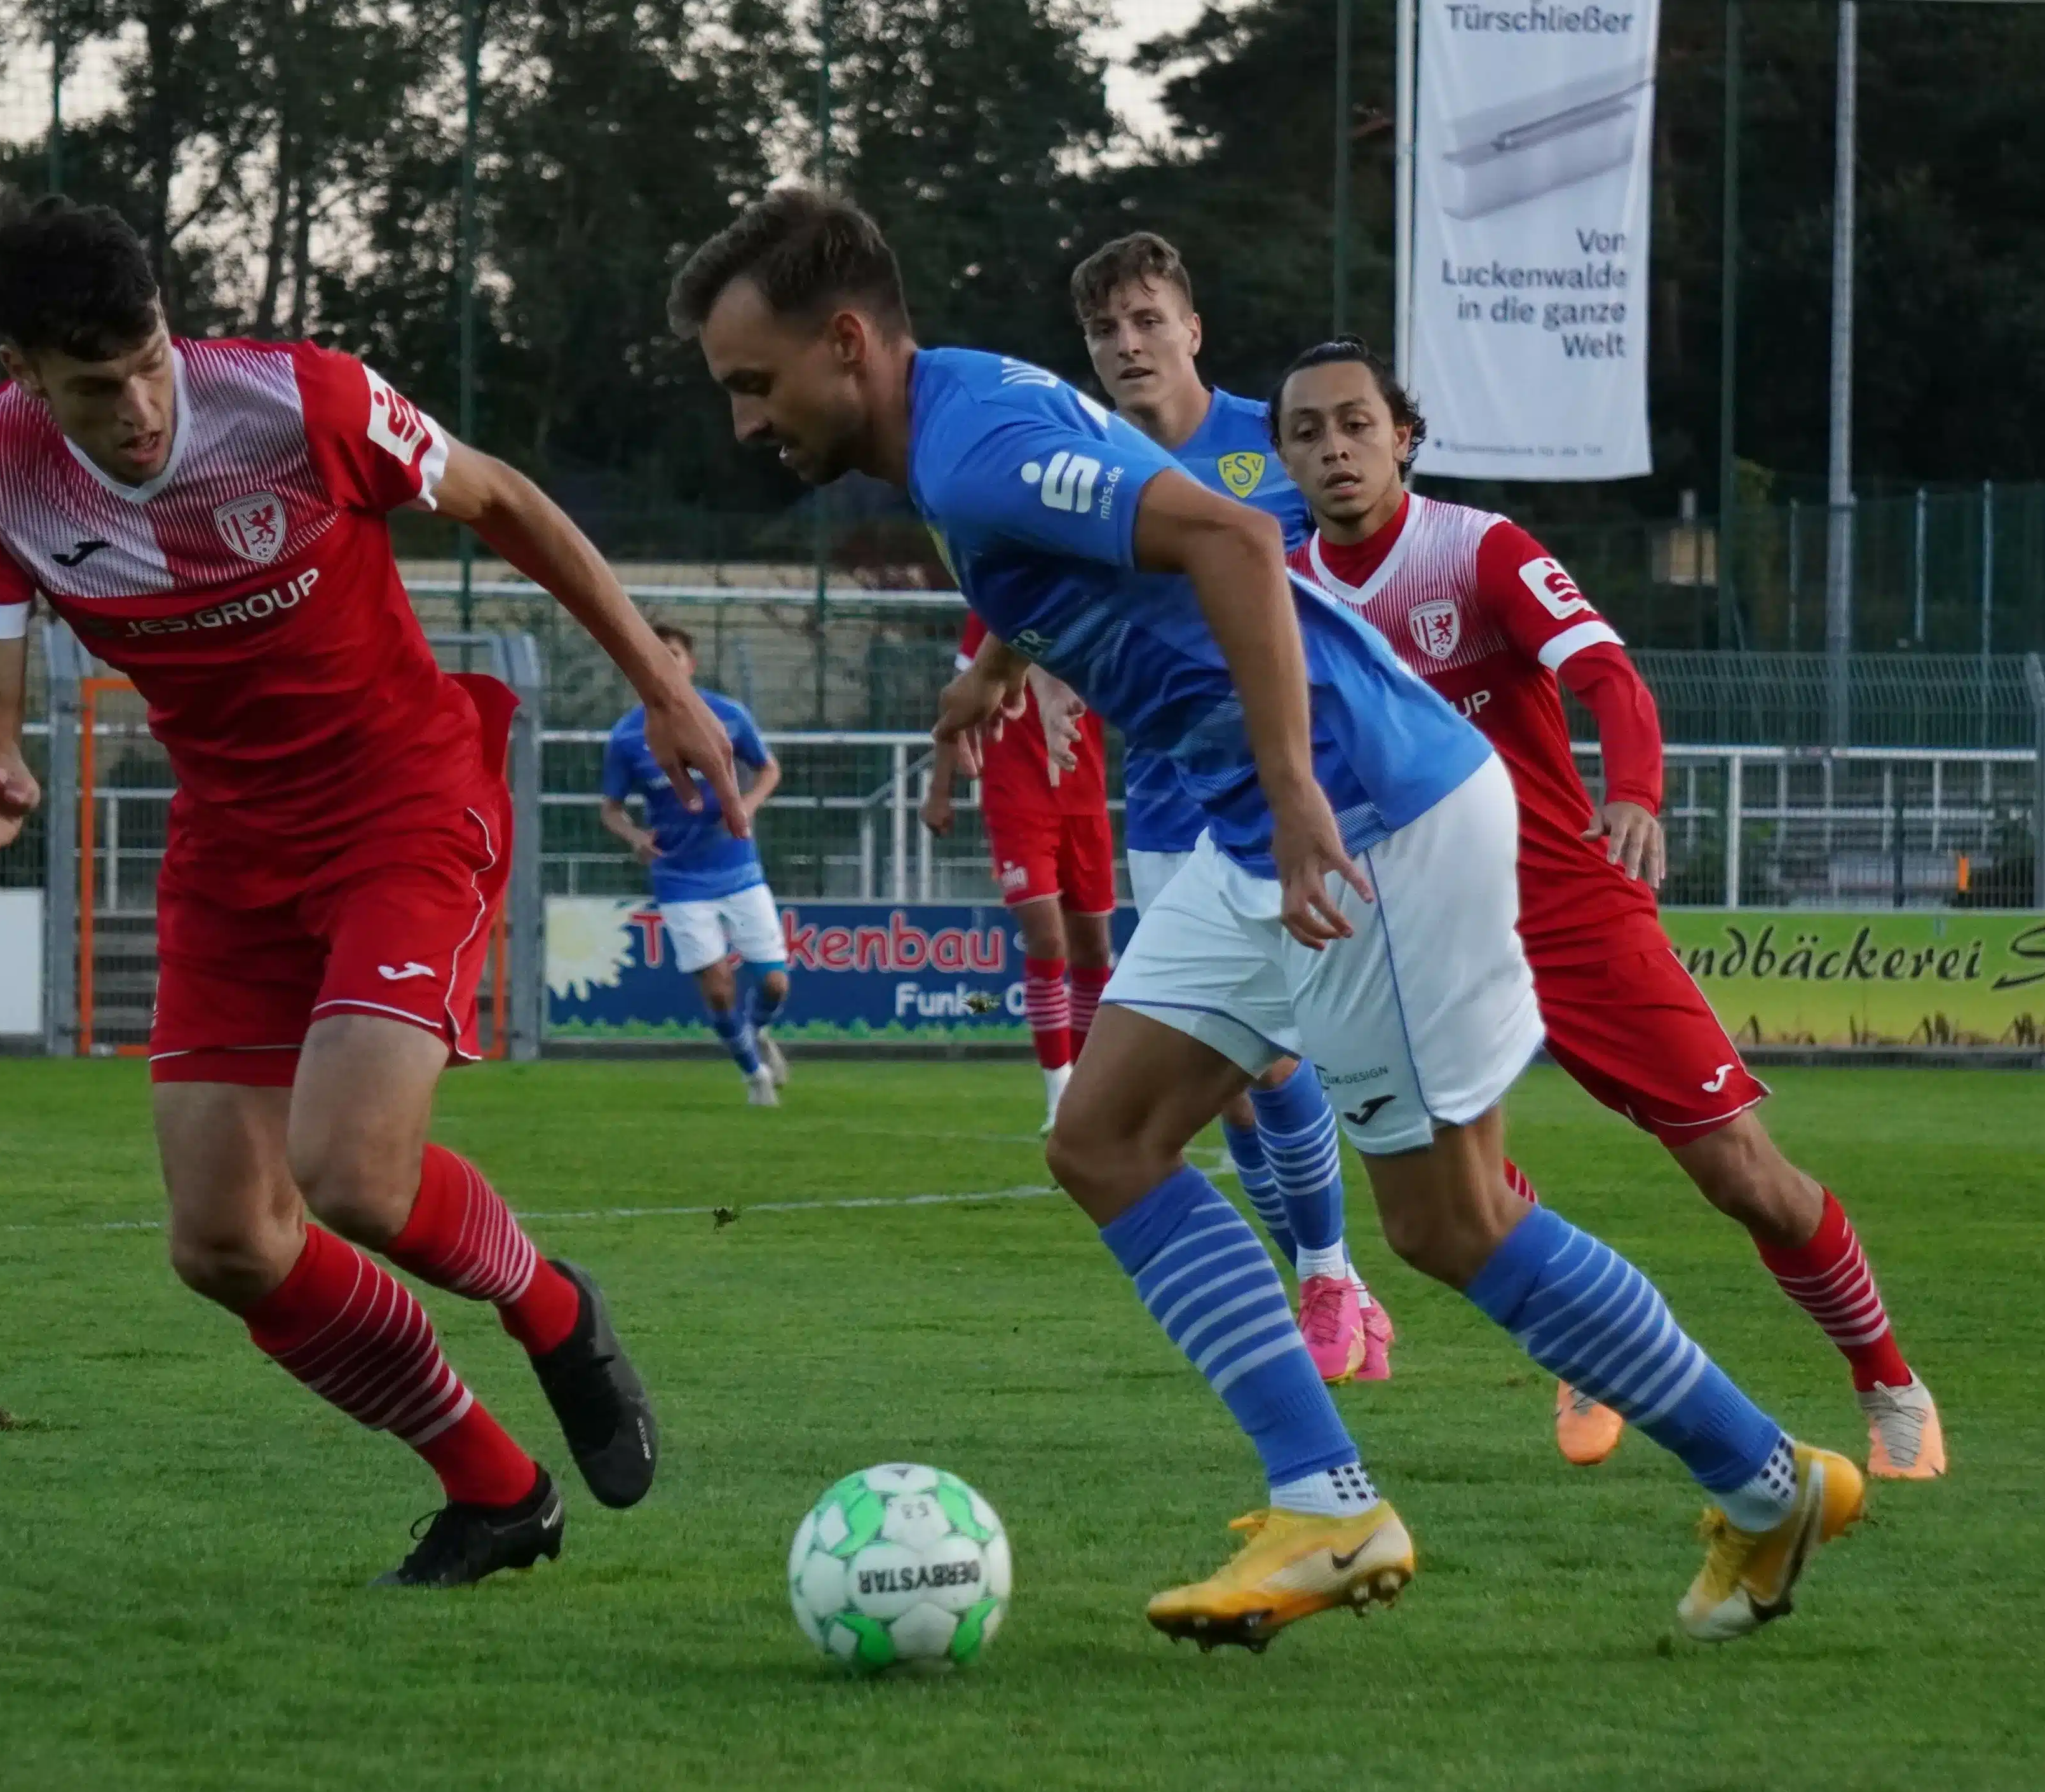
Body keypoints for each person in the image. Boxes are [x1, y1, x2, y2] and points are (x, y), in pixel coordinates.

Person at [672, 187, 1864, 1650]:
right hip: (1262, 828)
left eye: (754, 383)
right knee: (1102, 1140)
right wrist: (995, 687)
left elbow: (1234, 537)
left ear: (845, 344)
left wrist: (1296, 787)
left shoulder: (974, 445)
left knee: (1454, 1222)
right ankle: (1329, 1500)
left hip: (1366, 815)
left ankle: (1767, 1481)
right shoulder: (957, 414)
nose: (744, 423)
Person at [0, 198, 734, 1585]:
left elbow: (510, 503)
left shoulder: (301, 399)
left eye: (147, 364)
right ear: (20, 373)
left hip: (401, 804)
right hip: (231, 852)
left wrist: (662, 688)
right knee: (225, 1239)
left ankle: (550, 1307)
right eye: (91, 387)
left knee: (352, 1171)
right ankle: (494, 1487)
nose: (134, 407)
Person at [1273, 338, 1947, 1480]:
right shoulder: (1277, 589)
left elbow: (1608, 678)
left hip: (1567, 906)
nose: (1333, 447)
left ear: (1402, 434)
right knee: (1454, 1192)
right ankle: (1589, 1338)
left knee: (1742, 1173)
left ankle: (1885, 1376)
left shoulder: (1475, 550)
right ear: (1282, 454)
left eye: (1354, 422)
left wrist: (1632, 791)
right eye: (1306, 430)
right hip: (1417, 930)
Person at [1066, 231, 1387, 1385]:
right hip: (1162, 801)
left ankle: (1328, 1275)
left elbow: (1373, 546)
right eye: (1105, 330)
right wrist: (1022, 672)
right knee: (1232, 1089)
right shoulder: (1080, 460)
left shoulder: (1275, 437)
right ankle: (1327, 1278)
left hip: (1299, 793)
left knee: (1270, 1064)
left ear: (1191, 329)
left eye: (1147, 320)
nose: (1127, 345)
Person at [920, 614, 1112, 1129]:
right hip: (1018, 800)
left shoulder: (1092, 603)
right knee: (1048, 941)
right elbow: (957, 702)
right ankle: (1059, 1087)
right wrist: (939, 790)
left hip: (1085, 798)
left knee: (1094, 948)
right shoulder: (994, 609)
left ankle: (1086, 1091)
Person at [599, 622, 792, 1104]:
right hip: (678, 877)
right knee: (719, 987)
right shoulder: (627, 737)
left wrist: (745, 807)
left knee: (773, 981)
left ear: (691, 663)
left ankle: (759, 1031)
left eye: (673, 654)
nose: (664, 664)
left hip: (738, 867)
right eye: (655, 656)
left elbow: (769, 768)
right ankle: (755, 1077)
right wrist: (634, 837)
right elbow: (610, 809)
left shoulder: (727, 715)